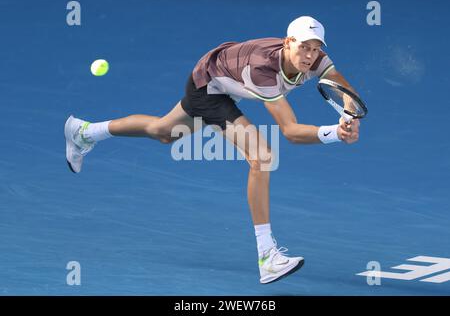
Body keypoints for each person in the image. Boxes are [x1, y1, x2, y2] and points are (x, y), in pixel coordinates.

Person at [64, 16, 360, 284]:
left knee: (163, 132)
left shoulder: (316, 59)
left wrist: (348, 116)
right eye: (303, 47)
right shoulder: (262, 73)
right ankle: (267, 256)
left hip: (225, 75)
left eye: (315, 48)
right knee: (262, 156)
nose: (309, 55)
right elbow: (291, 132)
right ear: (288, 42)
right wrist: (335, 133)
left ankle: (84, 132)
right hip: (210, 84)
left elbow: (346, 93)